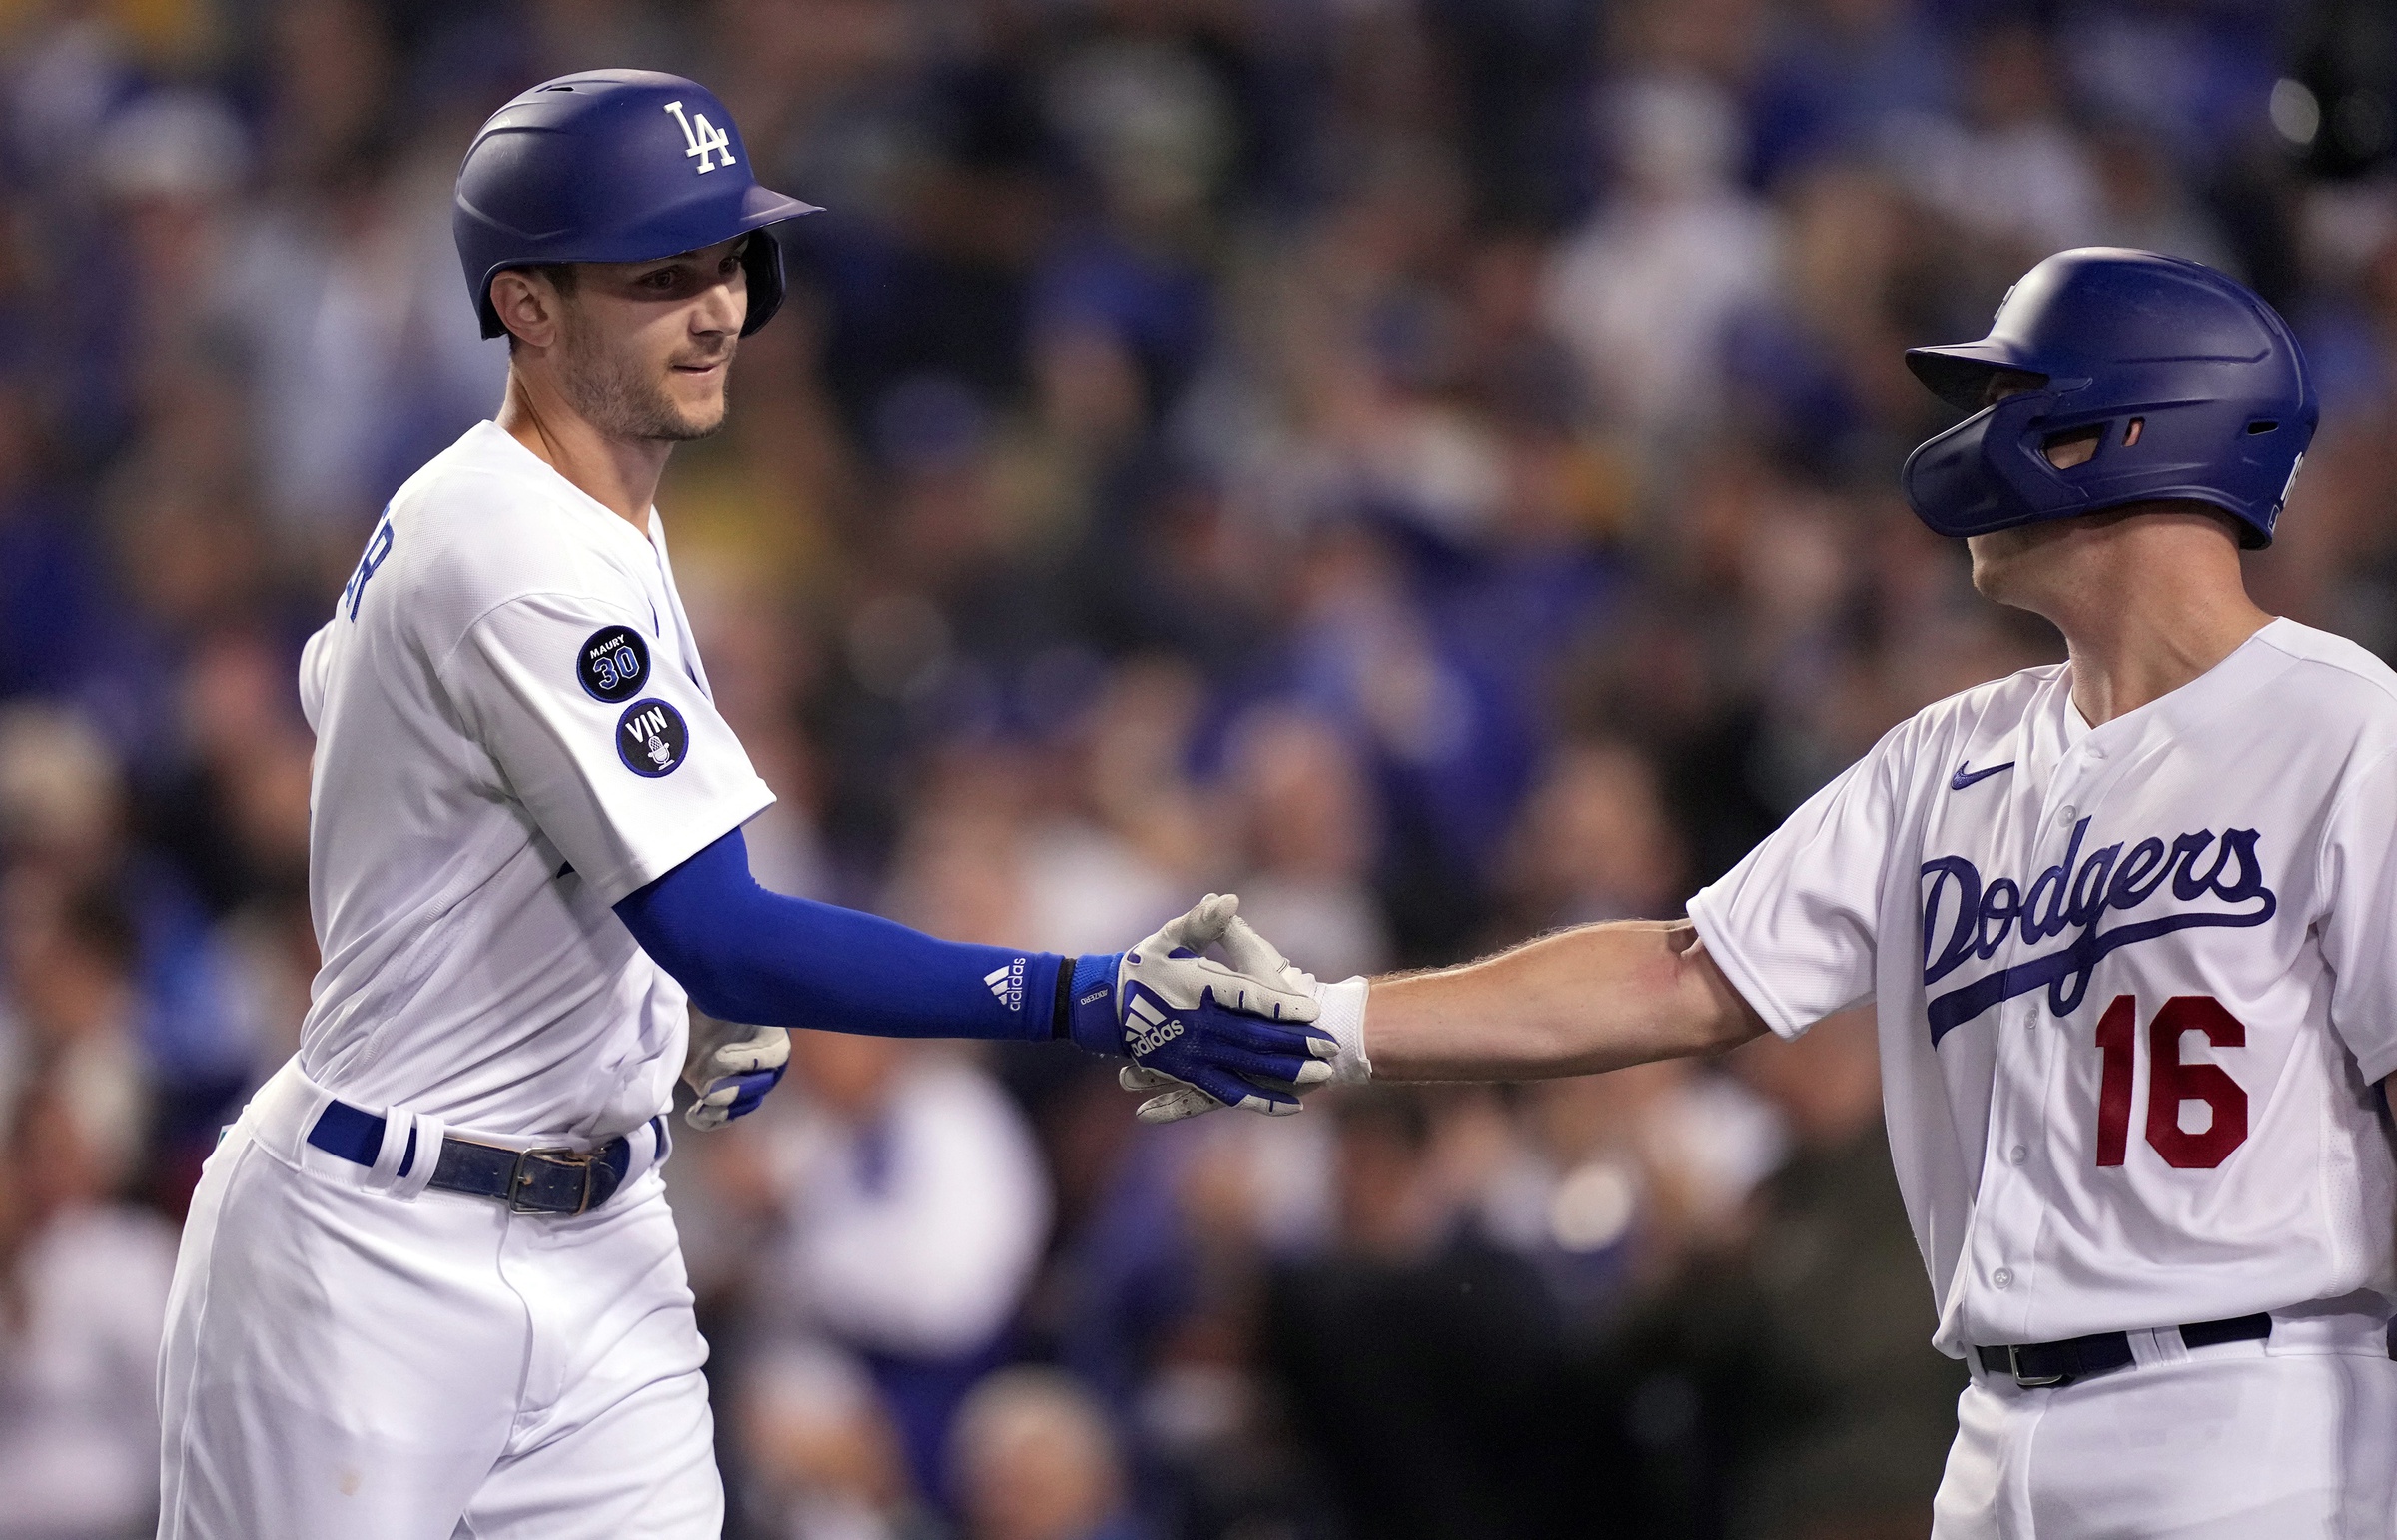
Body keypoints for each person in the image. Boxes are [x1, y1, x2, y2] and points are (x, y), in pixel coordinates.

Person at [153, 70, 1326, 1540]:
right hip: (374, 1253)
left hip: (603, 1245)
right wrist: (1095, 998)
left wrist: (626, 986)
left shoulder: (544, 498)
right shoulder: (518, 546)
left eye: (731, 260)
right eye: (663, 275)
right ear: (525, 305)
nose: (718, 308)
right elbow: (725, 931)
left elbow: (350, 691)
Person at [1226, 249, 2397, 1535]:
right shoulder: (1953, 755)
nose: (1977, 440)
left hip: (2256, 1418)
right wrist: (1314, 1022)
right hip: (1996, 1434)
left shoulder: (2347, 731)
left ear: (2125, 430)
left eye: (2019, 401)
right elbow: (1685, 972)